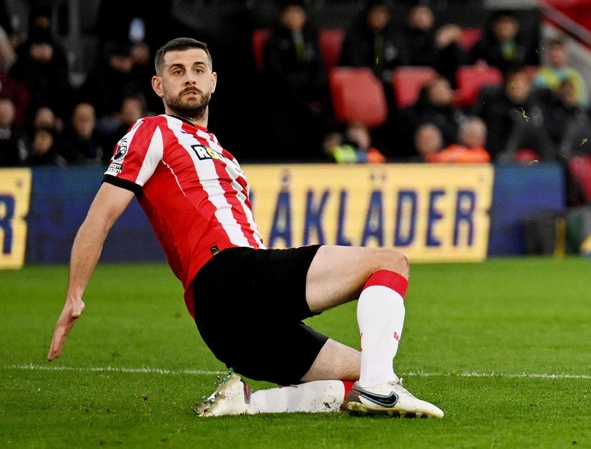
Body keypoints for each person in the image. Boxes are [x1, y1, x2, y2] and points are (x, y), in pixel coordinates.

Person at [48, 37, 442, 419]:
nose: (189, 78)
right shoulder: (153, 131)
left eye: (198, 70)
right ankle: (381, 389)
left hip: (228, 324)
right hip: (226, 276)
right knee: (389, 262)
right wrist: (74, 295)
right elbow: (98, 217)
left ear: (213, 81)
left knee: (362, 371)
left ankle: (247, 403)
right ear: (158, 84)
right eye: (177, 71)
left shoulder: (226, 157)